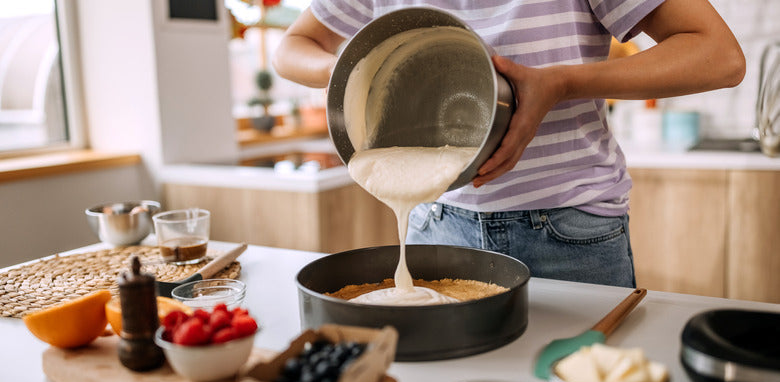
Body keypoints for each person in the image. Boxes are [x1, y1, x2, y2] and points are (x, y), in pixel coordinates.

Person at [272, 0, 745, 288]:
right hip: (434, 224)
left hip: (568, 234)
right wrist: (352, 70)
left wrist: (559, 82)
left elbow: (718, 55)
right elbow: (292, 47)